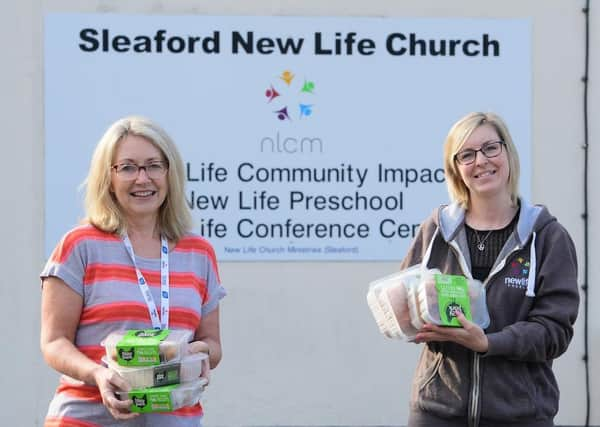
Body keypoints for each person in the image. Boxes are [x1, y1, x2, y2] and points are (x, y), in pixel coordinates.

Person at [40, 116, 226, 426]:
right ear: (107, 178)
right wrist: (98, 374)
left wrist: (200, 353)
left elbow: (212, 343)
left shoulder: (199, 253)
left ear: (170, 173)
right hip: (87, 418)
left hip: (175, 418)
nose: (143, 179)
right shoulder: (80, 245)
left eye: (154, 165)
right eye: (127, 167)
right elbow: (54, 342)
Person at [400, 112, 579, 427]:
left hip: (520, 414)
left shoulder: (547, 237)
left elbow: (555, 331)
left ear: (508, 152)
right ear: (456, 169)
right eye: (466, 155)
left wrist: (488, 342)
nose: (480, 161)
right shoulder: (435, 231)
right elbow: (407, 299)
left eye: (490, 149)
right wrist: (408, 317)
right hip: (438, 411)